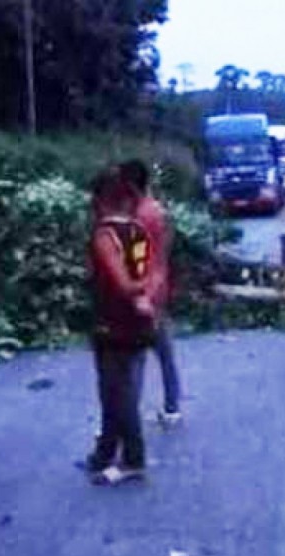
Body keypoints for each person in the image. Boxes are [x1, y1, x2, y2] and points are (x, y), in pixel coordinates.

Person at [83, 165, 160, 484]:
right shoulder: (137, 231)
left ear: (101, 200)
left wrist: (133, 291)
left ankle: (133, 458)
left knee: (118, 391)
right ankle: (104, 453)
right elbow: (151, 274)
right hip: (138, 320)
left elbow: (122, 282)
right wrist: (145, 298)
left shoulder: (105, 235)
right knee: (115, 388)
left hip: (112, 321)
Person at [120, 159, 183, 426]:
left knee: (134, 361)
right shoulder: (156, 212)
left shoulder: (138, 218)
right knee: (163, 353)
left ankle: (126, 421)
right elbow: (162, 254)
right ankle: (172, 407)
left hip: (143, 296)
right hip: (157, 292)